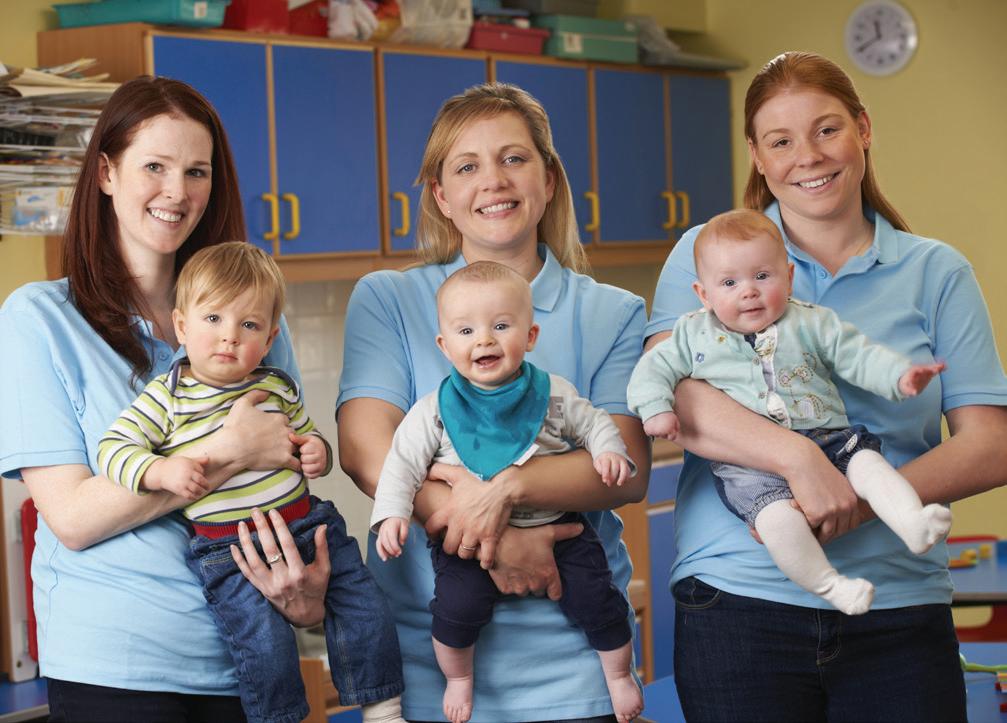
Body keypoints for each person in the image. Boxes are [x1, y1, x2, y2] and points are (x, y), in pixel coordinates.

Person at [646, 51, 1007, 721]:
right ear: (757, 156)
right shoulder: (710, 254)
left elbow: (990, 444)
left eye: (827, 129)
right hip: (736, 598)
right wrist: (800, 460)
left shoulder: (936, 272)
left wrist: (858, 503)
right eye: (780, 140)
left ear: (863, 130)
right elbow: (675, 393)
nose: (807, 156)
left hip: (899, 606)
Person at [0, 76, 332, 721]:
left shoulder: (251, 318)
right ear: (106, 173)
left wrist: (307, 592)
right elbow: (73, 517)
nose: (177, 192)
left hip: (249, 653)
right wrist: (230, 451)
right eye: (154, 166)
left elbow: (288, 469)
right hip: (116, 668)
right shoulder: (38, 320)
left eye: (196, 172)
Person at [337, 82, 651, 722]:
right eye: (466, 166)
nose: (493, 181)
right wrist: (487, 535)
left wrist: (503, 492)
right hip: (427, 668)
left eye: (514, 158)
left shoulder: (614, 312)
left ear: (549, 180)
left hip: (577, 667)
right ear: (440, 196)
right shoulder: (388, 299)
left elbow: (627, 468)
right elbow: (367, 450)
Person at [97, 241, 404, 723]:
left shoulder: (276, 385)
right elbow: (112, 449)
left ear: (269, 337)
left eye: (249, 325)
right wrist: (161, 470)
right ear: (182, 326)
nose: (229, 337)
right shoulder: (168, 397)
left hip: (308, 526)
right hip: (228, 549)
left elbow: (306, 437)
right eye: (213, 318)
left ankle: (382, 705)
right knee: (264, 649)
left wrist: (316, 451)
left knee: (366, 605)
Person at [628, 208, 951, 616]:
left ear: (789, 277)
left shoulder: (812, 322)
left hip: (829, 434)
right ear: (704, 295)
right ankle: (831, 585)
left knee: (870, 466)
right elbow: (652, 371)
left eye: (763, 276)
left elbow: (859, 356)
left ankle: (913, 524)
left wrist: (900, 377)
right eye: (729, 283)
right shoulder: (692, 334)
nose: (749, 291)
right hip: (747, 465)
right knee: (776, 522)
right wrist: (655, 409)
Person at [372, 261, 639, 723]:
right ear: (444, 345)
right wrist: (392, 514)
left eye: (500, 326)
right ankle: (459, 678)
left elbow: (594, 422)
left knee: (598, 598)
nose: (484, 340)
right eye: (466, 330)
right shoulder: (434, 410)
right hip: (467, 541)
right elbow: (401, 464)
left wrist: (608, 450)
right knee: (455, 610)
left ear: (530, 336)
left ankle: (617, 676)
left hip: (559, 526)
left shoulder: (552, 394)